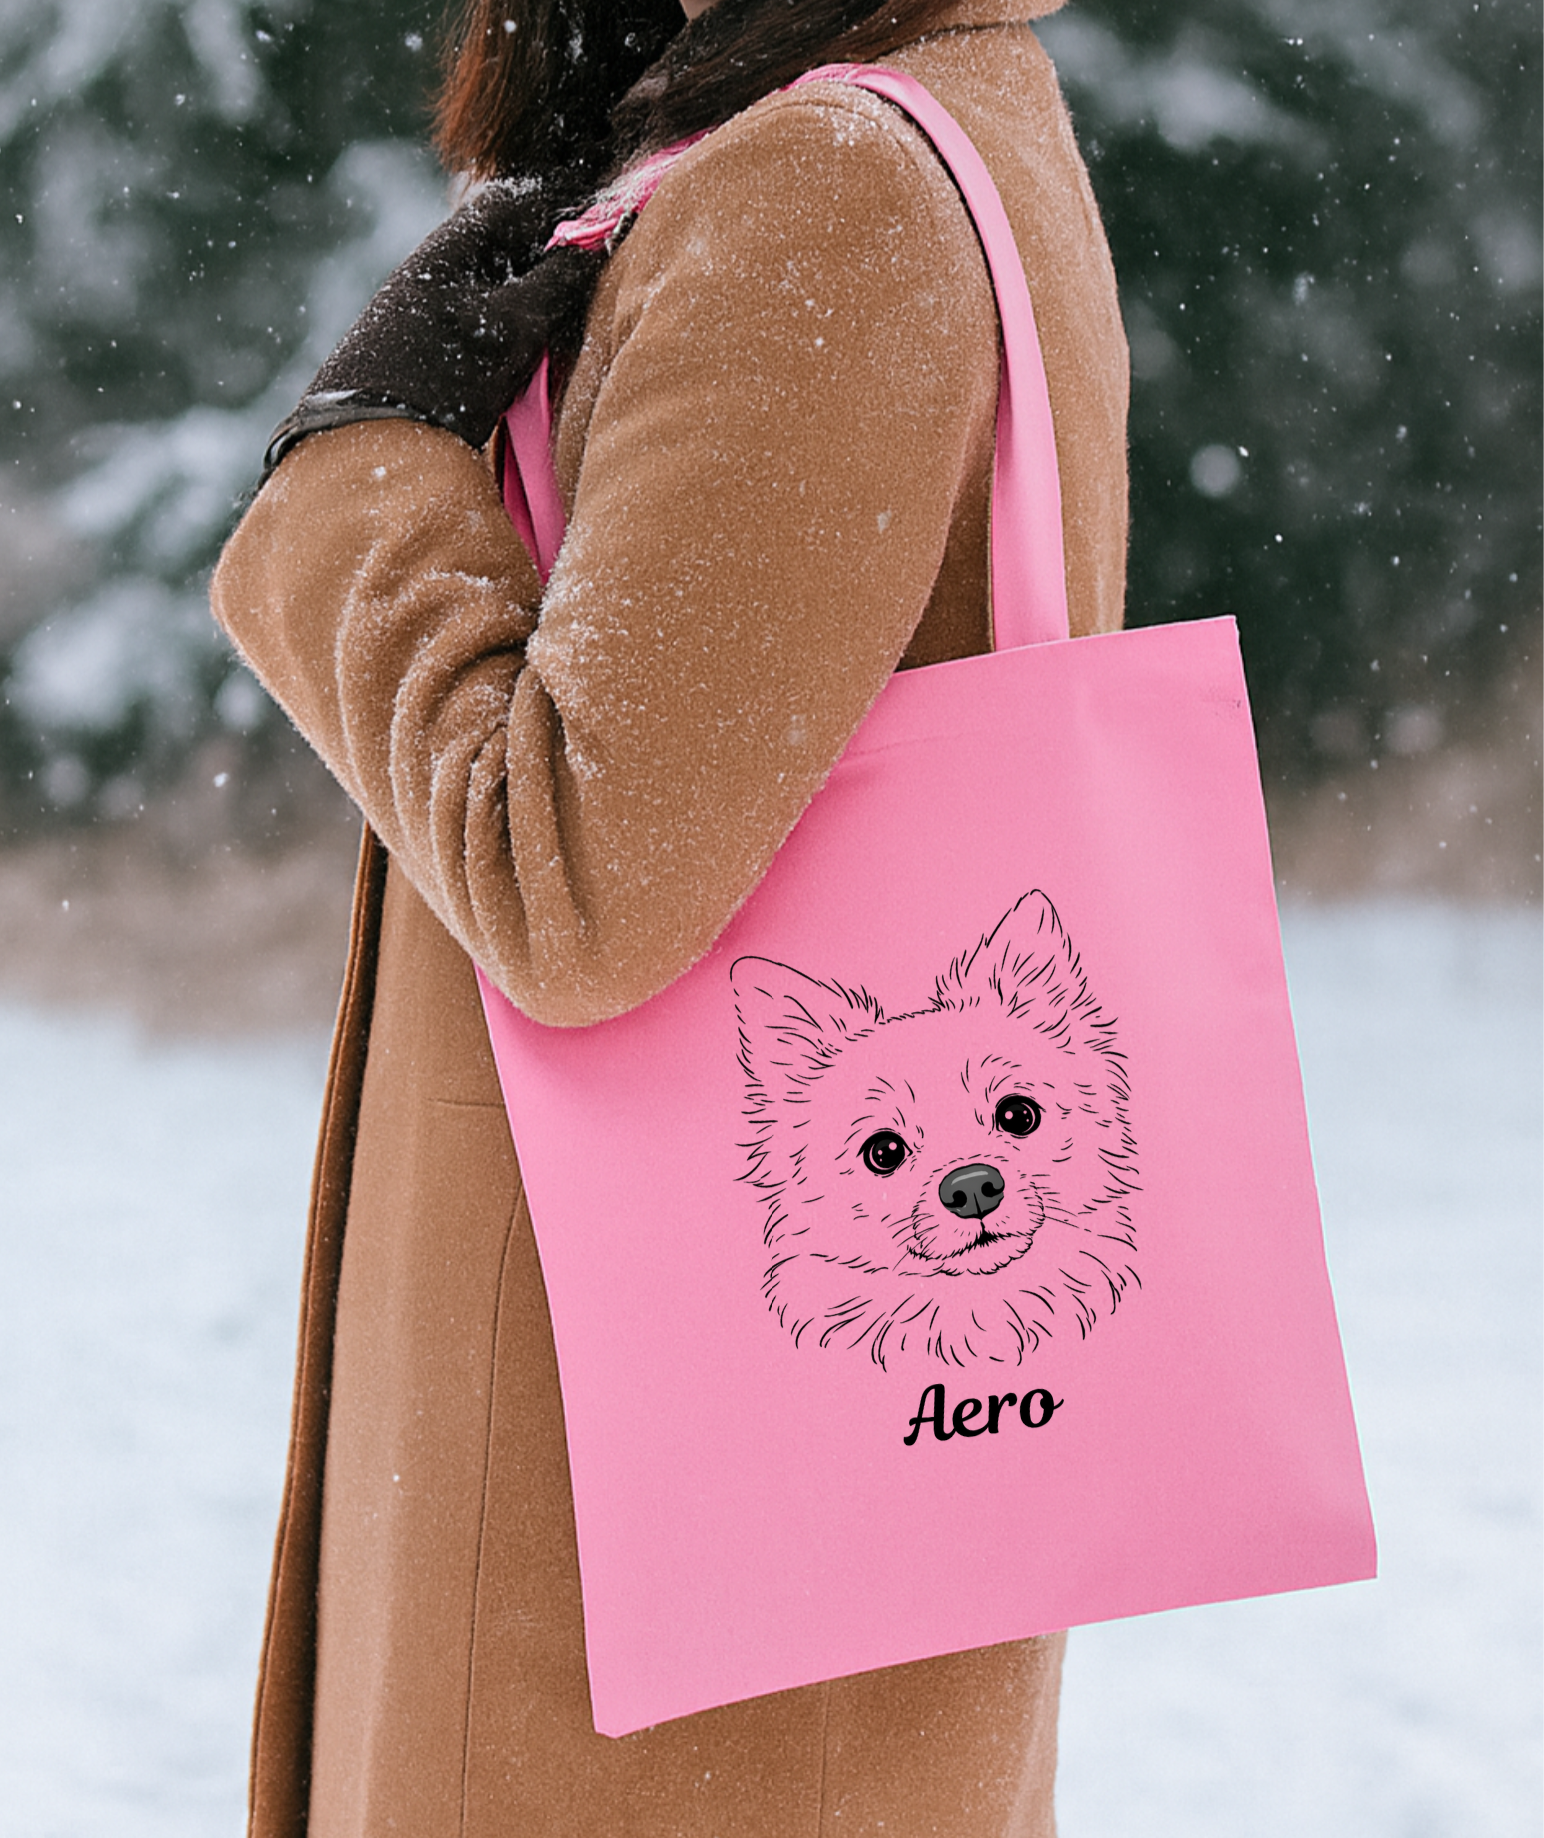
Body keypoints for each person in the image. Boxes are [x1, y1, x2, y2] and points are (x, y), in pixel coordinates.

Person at [211, 0, 1128, 1831]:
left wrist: (363, 465)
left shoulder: (832, 191)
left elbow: (568, 878)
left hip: (646, 1563)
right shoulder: (911, 109)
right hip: (760, 1507)